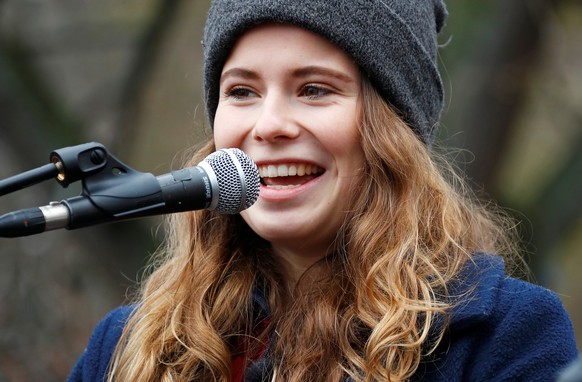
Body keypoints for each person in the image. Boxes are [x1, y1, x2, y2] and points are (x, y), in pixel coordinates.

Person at [68, 0, 579, 381]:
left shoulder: (506, 338)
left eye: (314, 89)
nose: (268, 125)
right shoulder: (125, 348)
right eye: (242, 91)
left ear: (392, 130)